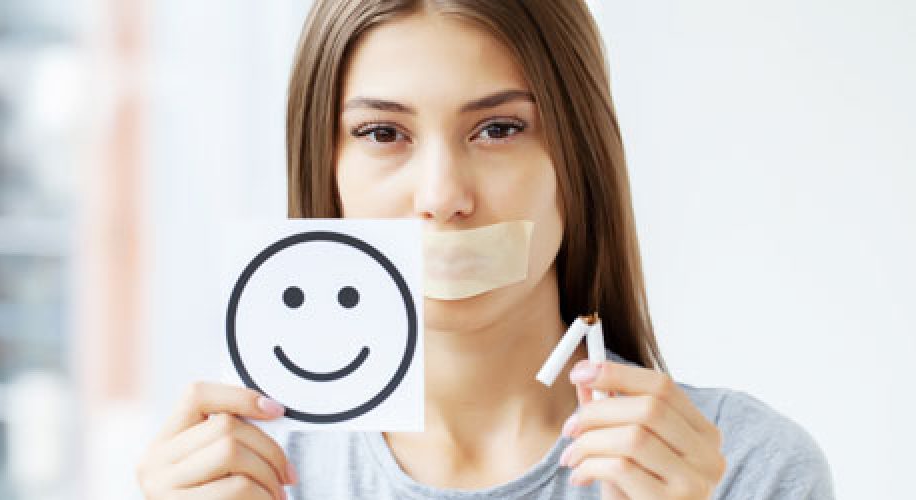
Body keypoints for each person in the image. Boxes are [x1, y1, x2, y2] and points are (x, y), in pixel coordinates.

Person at [137, 1, 833, 498]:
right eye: (383, 134)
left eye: (499, 129)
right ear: (327, 172)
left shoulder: (739, 467)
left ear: (578, 159)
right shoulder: (238, 474)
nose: (442, 196)